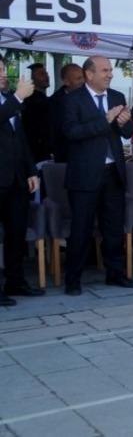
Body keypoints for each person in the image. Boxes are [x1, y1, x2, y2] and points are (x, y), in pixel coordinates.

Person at [61, 56, 133, 295]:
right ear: (89, 74)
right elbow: (71, 133)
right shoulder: (72, 100)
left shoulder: (116, 97)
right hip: (84, 175)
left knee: (113, 227)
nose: (110, 74)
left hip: (113, 172)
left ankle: (115, 274)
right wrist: (104, 120)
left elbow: (126, 132)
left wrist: (126, 123)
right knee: (81, 229)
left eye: (110, 70)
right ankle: (73, 280)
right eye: (104, 70)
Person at [0, 63, 42, 306]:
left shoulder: (10, 101)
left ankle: (15, 281)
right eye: (0, 71)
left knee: (16, 233)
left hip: (16, 180)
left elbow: (21, 139)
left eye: (4, 70)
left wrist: (31, 170)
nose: (5, 75)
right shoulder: (13, 101)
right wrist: (17, 97)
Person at [49, 63, 85, 163]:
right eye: (78, 78)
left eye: (83, 77)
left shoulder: (87, 95)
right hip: (66, 155)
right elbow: (55, 131)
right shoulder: (55, 102)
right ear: (66, 82)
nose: (83, 81)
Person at [22, 62, 52, 163]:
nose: (46, 77)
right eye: (41, 74)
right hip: (36, 150)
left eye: (46, 73)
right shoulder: (31, 100)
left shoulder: (44, 98)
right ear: (33, 79)